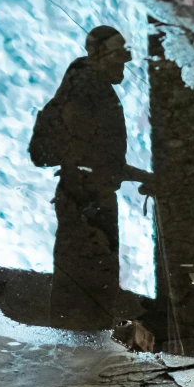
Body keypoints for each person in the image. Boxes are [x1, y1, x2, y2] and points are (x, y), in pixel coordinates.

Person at [29, 26, 151, 329]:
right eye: (118, 52)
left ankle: (82, 355)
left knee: (87, 290)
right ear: (97, 54)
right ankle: (80, 359)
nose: (125, 59)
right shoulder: (88, 91)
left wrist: (141, 176)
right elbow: (93, 160)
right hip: (86, 205)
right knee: (85, 294)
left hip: (88, 201)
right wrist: (142, 176)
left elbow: (99, 161)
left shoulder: (91, 88)